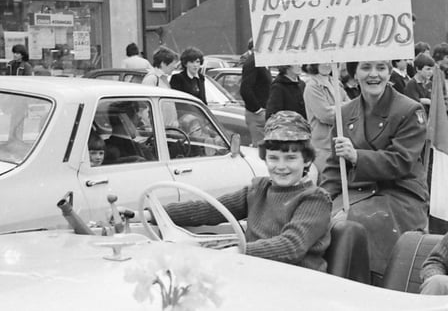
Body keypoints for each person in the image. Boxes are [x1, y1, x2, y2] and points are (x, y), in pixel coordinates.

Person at [160, 111, 332, 271]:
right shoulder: (260, 189)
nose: (281, 166)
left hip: (299, 283)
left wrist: (236, 251)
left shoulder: (315, 199)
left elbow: (291, 246)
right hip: (255, 271)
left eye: (290, 158)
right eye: (273, 158)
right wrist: (155, 213)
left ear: (307, 161)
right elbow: (211, 209)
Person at [320, 60, 429, 285]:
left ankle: (367, 286)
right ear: (355, 73)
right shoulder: (344, 113)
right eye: (366, 67)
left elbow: (401, 161)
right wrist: (320, 200)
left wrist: (357, 156)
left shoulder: (409, 110)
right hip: (355, 192)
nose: (374, 74)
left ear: (390, 73)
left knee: (355, 225)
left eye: (381, 68)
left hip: (398, 193)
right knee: (317, 221)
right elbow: (333, 168)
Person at [303, 63, 349, 176]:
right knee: (327, 182)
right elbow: (325, 115)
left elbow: (353, 107)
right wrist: (344, 106)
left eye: (329, 61)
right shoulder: (312, 86)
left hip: (341, 141)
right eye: (323, 61)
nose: (327, 64)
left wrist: (335, 107)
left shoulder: (336, 83)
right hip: (323, 146)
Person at [240, 44, 272, 146]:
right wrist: (257, 110)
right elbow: (245, 89)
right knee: (261, 152)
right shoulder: (253, 62)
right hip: (257, 115)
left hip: (263, 113)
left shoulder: (262, 61)